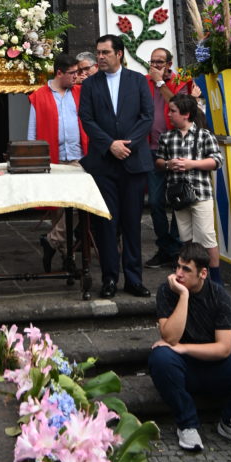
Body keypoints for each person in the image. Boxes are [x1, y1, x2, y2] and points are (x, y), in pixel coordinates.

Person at [149, 241, 231, 453]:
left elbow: (224, 348)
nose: (179, 274)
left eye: (186, 269)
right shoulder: (168, 290)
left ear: (203, 273)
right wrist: (183, 296)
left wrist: (185, 348)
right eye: (178, 267)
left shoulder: (219, 296)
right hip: (183, 367)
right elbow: (171, 338)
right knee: (160, 358)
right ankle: (187, 424)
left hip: (214, 364)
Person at [78, 34, 153, 298]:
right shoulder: (90, 84)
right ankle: (109, 278)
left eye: (105, 53)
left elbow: (147, 116)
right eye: (98, 52)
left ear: (119, 54)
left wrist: (126, 145)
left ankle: (133, 279)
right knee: (106, 224)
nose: (99, 57)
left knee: (132, 223)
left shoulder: (138, 80)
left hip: (133, 162)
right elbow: (87, 119)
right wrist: (110, 144)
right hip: (104, 164)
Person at [27, 52, 87, 271]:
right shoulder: (38, 96)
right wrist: (34, 160)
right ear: (59, 73)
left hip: (78, 158)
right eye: (73, 73)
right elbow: (32, 132)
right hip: (53, 161)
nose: (76, 77)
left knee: (81, 203)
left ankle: (51, 240)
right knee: (59, 210)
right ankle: (68, 257)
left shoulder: (80, 92)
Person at [155, 94, 223, 281]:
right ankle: (192, 278)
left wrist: (191, 164)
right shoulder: (167, 137)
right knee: (186, 239)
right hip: (178, 196)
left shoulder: (204, 135)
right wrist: (168, 164)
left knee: (207, 238)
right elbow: (159, 161)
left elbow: (217, 161)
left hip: (201, 193)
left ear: (185, 114)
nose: (169, 114)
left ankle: (215, 281)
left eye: (173, 111)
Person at [145, 48, 194, 269]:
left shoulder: (180, 81)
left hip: (176, 149)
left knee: (178, 199)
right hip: (152, 149)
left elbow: (178, 107)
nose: (155, 65)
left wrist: (159, 83)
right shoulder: (143, 81)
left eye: (160, 61)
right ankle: (166, 247)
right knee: (155, 202)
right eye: (152, 61)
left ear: (169, 63)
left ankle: (173, 247)